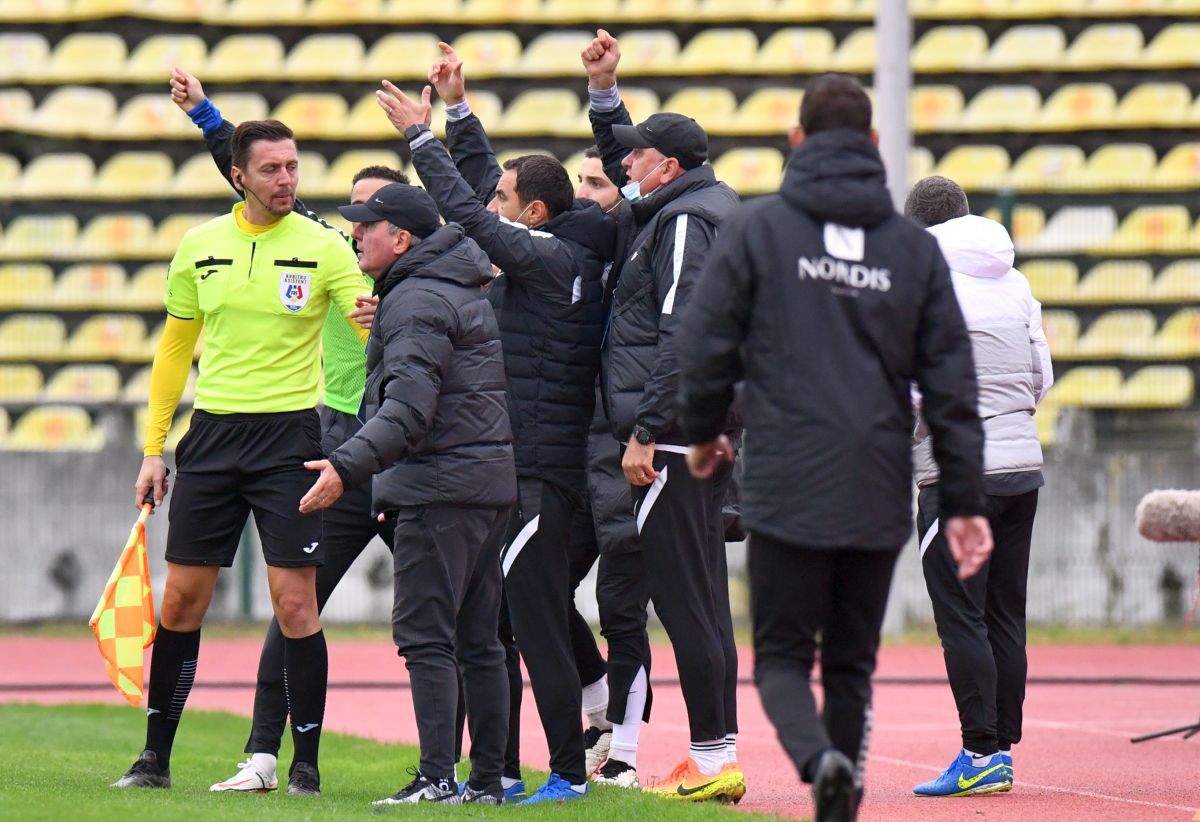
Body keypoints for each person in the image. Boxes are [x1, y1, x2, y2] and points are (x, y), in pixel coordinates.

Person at [675, 73, 994, 822]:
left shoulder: (759, 230)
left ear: (796, 142)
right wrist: (967, 501)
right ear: (877, 146)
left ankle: (820, 763)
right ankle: (837, 801)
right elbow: (952, 383)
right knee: (852, 666)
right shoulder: (913, 250)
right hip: (880, 482)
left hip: (787, 478)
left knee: (784, 658)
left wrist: (703, 432)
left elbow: (703, 342)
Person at [375, 46, 611, 803]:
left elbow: (472, 210)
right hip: (519, 466)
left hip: (542, 468)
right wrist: (457, 110)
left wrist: (420, 142)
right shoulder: (550, 244)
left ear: (535, 215)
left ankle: (569, 773)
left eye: (512, 200)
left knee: (536, 626)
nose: (496, 206)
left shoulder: (555, 261)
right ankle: (499, 771)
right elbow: (485, 193)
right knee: (502, 626)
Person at [112, 119, 371, 797]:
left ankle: (306, 768)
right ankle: (153, 759)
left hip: (290, 440)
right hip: (213, 437)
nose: (287, 179)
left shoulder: (325, 248)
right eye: (272, 169)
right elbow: (174, 354)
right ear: (239, 177)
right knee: (181, 601)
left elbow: (366, 322)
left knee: (295, 605)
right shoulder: (199, 246)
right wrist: (153, 450)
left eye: (293, 166)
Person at [168, 67, 405, 794]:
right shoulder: (324, 245)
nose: (357, 222)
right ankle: (268, 757)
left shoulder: (404, 278)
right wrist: (206, 112)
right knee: (294, 606)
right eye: (352, 210)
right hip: (326, 443)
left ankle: (524, 740)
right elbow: (248, 172)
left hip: (393, 448)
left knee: (469, 613)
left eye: (375, 212)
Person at [300, 183, 516, 806]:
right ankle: (484, 784)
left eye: (368, 225)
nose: (356, 235)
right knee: (479, 640)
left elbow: (408, 412)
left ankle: (437, 778)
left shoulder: (415, 300)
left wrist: (345, 464)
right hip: (483, 484)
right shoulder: (453, 289)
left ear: (402, 238)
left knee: (425, 635)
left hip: (439, 489)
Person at [581, 28, 745, 802]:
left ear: (666, 167)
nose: (624, 168)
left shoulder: (685, 223)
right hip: (695, 433)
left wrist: (647, 430)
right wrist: (605, 96)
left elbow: (684, 331)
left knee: (688, 604)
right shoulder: (695, 205)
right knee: (703, 602)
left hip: (674, 439)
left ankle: (713, 762)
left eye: (636, 158)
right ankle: (717, 755)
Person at [904, 175, 1053, 798]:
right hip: (1022, 468)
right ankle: (1001, 745)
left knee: (960, 615)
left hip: (958, 472)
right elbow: (1042, 375)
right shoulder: (1015, 282)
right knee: (1003, 612)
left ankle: (980, 750)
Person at [574, 145, 654, 790]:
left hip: (625, 455)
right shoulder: (565, 261)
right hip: (571, 458)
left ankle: (624, 752)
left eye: (597, 183)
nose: (584, 194)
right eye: (578, 181)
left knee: (621, 607)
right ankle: (597, 692)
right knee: (523, 594)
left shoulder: (642, 261)